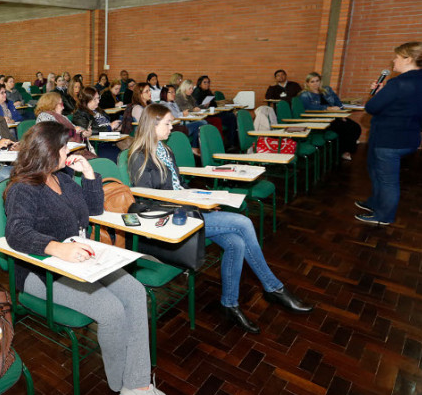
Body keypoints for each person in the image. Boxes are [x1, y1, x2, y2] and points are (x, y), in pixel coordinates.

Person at [3, 122, 178, 395]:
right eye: (63, 147)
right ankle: (127, 382)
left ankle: (136, 384)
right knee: (111, 309)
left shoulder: (63, 177)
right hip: (40, 272)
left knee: (135, 292)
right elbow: (16, 233)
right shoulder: (23, 188)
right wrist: (56, 247)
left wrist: (88, 174)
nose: (68, 151)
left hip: (80, 261)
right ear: (48, 152)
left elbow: (93, 210)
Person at [128, 104, 313, 334]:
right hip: (170, 220)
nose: (171, 127)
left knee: (236, 242)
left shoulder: (165, 150)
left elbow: (179, 185)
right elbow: (148, 202)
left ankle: (230, 304)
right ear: (152, 125)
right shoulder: (140, 156)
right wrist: (191, 203)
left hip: (187, 210)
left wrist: (201, 198)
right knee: (243, 223)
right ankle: (273, 287)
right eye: (167, 123)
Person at [357, 42, 422, 225]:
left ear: (408, 59)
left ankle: (384, 216)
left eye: (397, 57)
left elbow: (371, 107)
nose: (394, 60)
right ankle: (375, 203)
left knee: (388, 181)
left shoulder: (398, 83)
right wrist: (385, 93)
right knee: (375, 170)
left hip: (390, 139)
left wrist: (378, 93)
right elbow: (402, 104)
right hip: (405, 136)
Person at [299, 72, 362, 160]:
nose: (315, 83)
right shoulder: (305, 95)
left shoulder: (327, 89)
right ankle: (343, 152)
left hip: (335, 117)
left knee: (356, 127)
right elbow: (308, 107)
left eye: (317, 81)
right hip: (321, 120)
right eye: (312, 81)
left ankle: (345, 149)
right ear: (307, 83)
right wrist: (327, 108)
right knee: (346, 129)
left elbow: (337, 102)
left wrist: (342, 113)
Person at [72, 86, 122, 161]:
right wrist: (109, 128)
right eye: (94, 99)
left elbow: (109, 122)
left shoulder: (98, 110)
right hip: (97, 145)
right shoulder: (79, 114)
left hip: (111, 140)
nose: (98, 101)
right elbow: (88, 131)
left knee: (132, 152)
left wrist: (116, 127)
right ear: (86, 100)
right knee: (121, 157)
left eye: (98, 98)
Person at [192, 75, 238, 149]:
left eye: (208, 82)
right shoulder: (197, 92)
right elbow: (197, 106)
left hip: (213, 113)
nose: (207, 84)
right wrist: (204, 106)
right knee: (227, 118)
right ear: (200, 84)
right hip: (206, 115)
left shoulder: (208, 92)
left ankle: (232, 142)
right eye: (205, 82)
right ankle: (228, 142)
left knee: (231, 116)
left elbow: (215, 105)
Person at [159, 84, 206, 151]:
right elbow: (172, 116)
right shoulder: (163, 104)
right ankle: (195, 148)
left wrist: (183, 114)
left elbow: (177, 114)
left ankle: (195, 147)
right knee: (201, 124)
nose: (174, 94)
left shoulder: (173, 103)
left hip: (182, 124)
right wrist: (182, 113)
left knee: (201, 125)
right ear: (164, 93)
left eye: (174, 92)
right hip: (175, 127)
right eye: (171, 92)